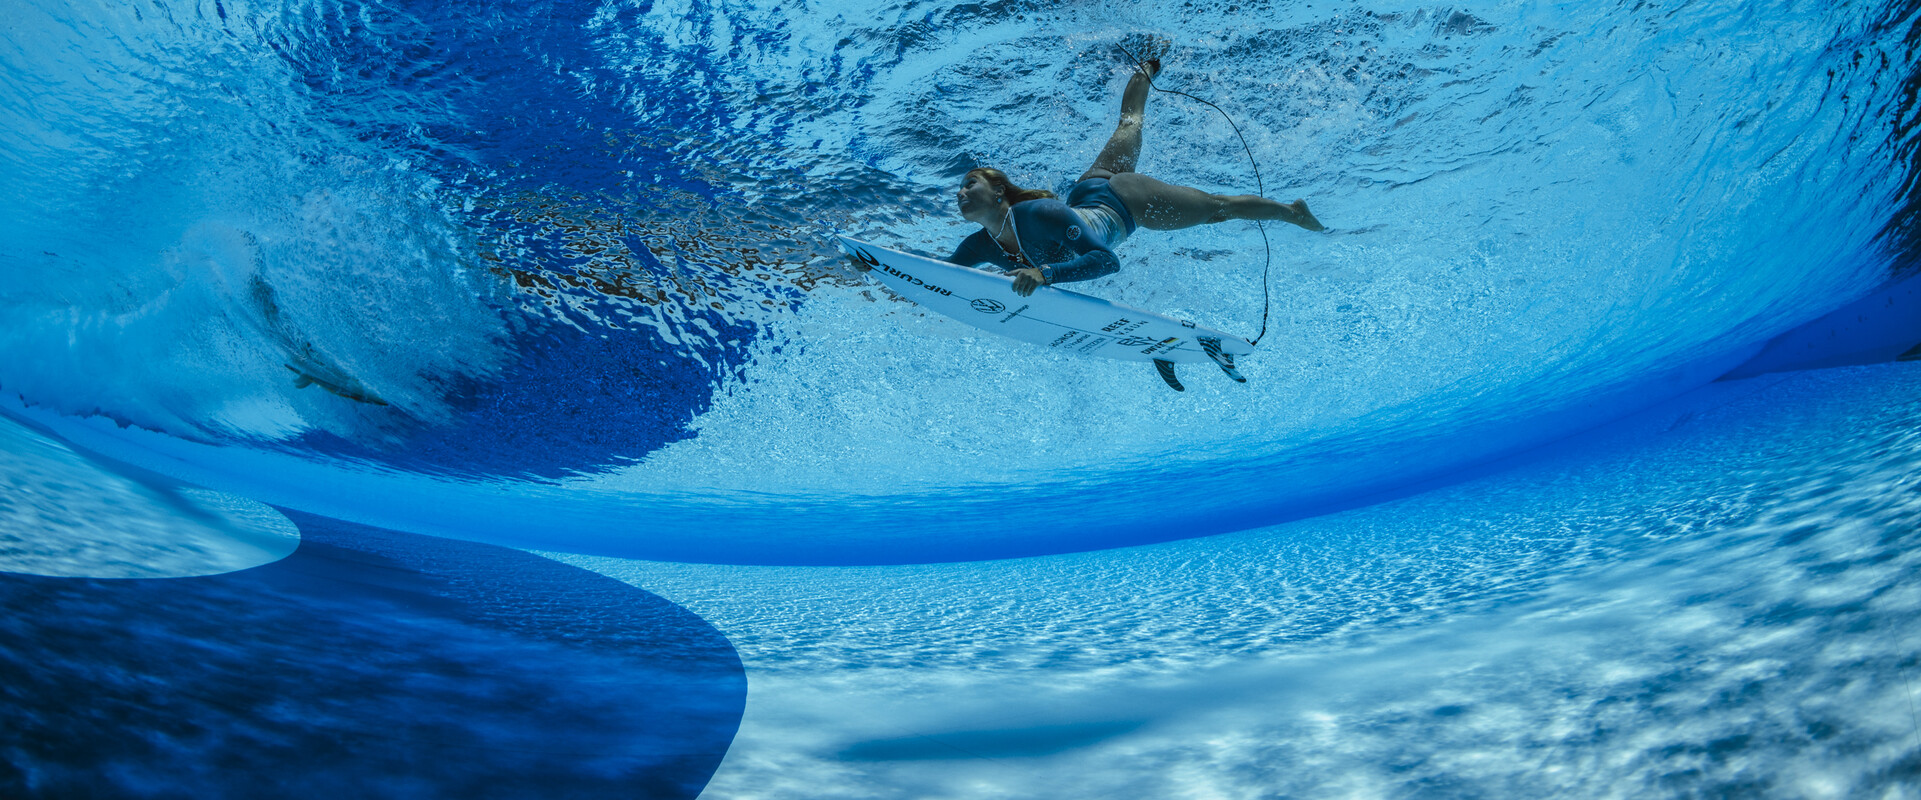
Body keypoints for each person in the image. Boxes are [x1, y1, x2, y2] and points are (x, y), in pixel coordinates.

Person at [946, 58, 1324, 297]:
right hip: (1088, 187)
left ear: (999, 192)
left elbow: (1106, 261)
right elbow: (940, 275)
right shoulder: (979, 246)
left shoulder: (1038, 212)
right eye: (961, 186)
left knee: (1217, 209)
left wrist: (1043, 275)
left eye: (970, 183)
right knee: (1129, 123)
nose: (961, 191)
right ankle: (1147, 67)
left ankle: (1292, 211)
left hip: (1128, 200)